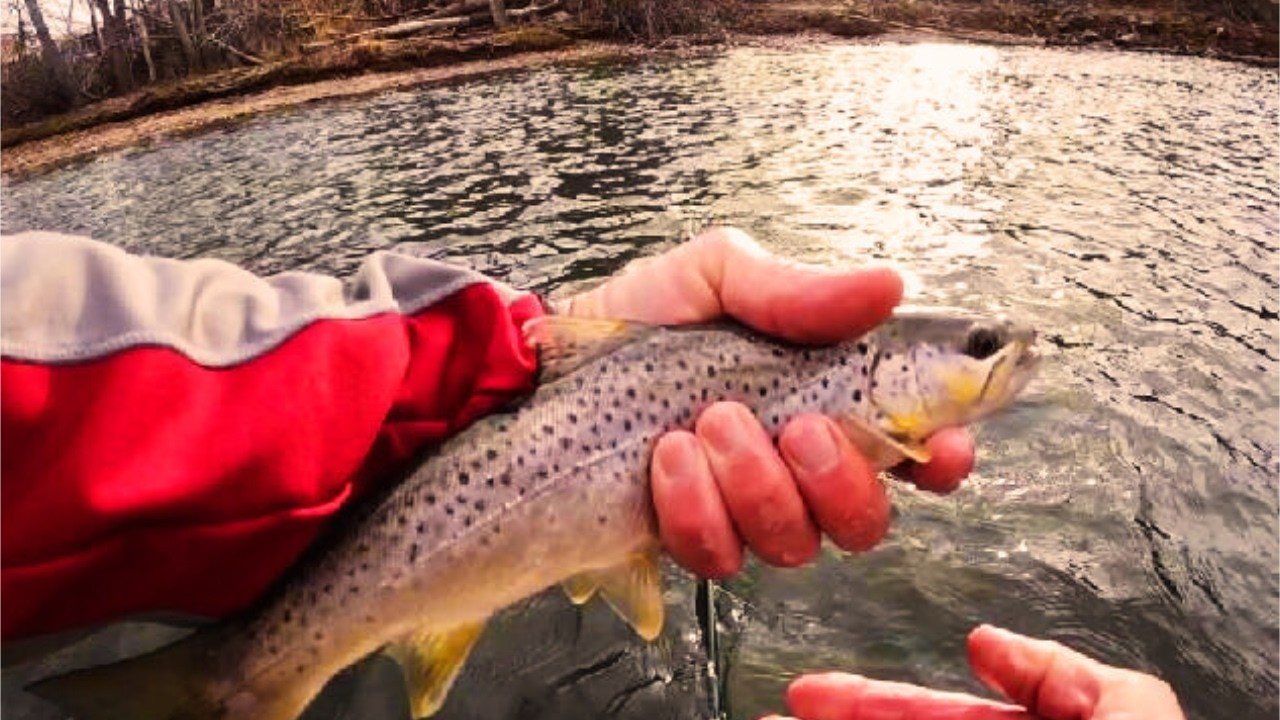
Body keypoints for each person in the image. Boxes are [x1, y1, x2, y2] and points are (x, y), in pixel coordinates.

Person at [0, 226, 1182, 718]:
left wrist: (491, 362)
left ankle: (253, 674)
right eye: (978, 351)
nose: (1002, 358)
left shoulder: (866, 411)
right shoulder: (859, 384)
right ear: (882, 367)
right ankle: (243, 682)